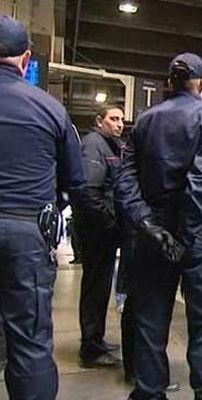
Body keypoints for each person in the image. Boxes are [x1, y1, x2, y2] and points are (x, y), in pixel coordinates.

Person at [115, 52, 202, 400]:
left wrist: (149, 225)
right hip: (198, 239)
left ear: (168, 84)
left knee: (150, 322)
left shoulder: (144, 121)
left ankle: (150, 392)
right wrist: (185, 233)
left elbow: (125, 183)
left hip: (154, 239)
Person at [0, 15, 85, 399]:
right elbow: (75, 181)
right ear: (26, 58)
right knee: (30, 342)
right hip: (26, 235)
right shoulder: (50, 109)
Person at [74, 105, 125, 368]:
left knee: (100, 287)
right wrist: (109, 224)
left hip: (101, 231)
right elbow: (90, 192)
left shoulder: (109, 146)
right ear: (99, 121)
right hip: (97, 232)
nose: (119, 124)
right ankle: (90, 349)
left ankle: (96, 339)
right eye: (113, 119)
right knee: (95, 288)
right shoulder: (94, 145)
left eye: (121, 120)